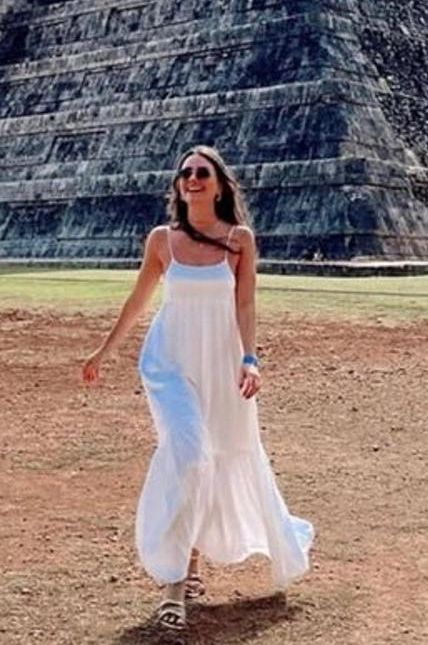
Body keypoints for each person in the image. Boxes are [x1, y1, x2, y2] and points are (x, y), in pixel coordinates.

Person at [81, 145, 314, 631]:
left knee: (218, 456)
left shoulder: (238, 240)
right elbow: (139, 297)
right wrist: (105, 351)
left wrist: (251, 359)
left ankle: (189, 562)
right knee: (188, 453)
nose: (191, 179)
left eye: (202, 172)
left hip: (224, 365)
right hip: (169, 363)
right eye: (185, 173)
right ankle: (174, 581)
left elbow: (246, 306)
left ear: (221, 184)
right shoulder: (162, 241)